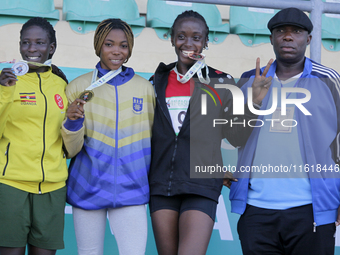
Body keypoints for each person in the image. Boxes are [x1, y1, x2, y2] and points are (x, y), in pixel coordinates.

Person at [148, 10, 271, 255]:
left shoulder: (222, 82)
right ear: (172, 39)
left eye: (196, 37)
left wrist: (254, 103)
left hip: (201, 184)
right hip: (163, 184)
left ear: (206, 41)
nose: (188, 43)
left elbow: (236, 136)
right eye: (181, 36)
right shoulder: (156, 81)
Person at [230, 7, 340, 255]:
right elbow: (233, 136)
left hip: (312, 208)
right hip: (256, 209)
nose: (288, 37)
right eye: (281, 31)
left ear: (308, 39)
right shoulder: (249, 79)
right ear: (271, 38)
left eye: (297, 31)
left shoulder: (328, 80)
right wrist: (254, 103)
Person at [61, 18, 155, 255]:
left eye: (123, 46)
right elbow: (70, 150)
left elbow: (155, 138)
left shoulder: (145, 89)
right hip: (87, 188)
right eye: (109, 44)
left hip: (132, 189)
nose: (116, 51)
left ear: (130, 49)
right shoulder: (78, 87)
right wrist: (73, 122)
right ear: (98, 46)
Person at [0, 17, 69, 255]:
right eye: (26, 42)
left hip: (52, 187)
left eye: (39, 43)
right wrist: (3, 92)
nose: (31, 49)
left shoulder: (62, 86)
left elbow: (68, 137)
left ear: (51, 47)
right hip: (11, 185)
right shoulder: (7, 81)